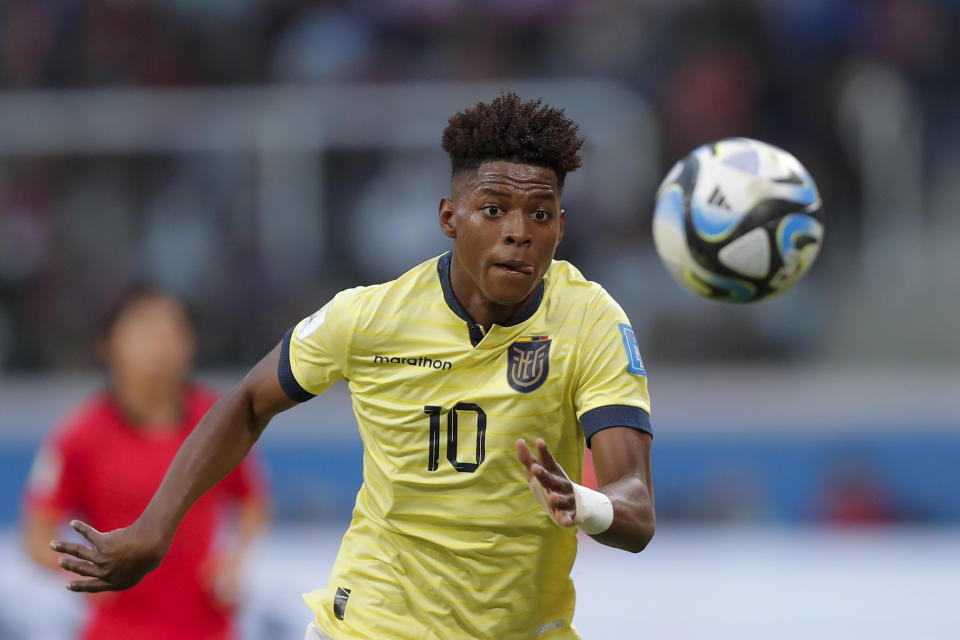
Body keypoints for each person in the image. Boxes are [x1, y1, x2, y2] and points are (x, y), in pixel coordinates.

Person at [51, 93, 655, 640]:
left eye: (540, 215)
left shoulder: (591, 322)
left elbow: (636, 508)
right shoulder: (370, 317)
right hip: (372, 626)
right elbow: (248, 402)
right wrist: (156, 529)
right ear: (450, 217)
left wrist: (585, 501)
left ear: (561, 226)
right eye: (493, 210)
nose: (518, 234)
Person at [25, 284, 269, 640]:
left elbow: (253, 499)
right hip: (118, 630)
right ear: (108, 344)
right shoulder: (78, 436)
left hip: (208, 628)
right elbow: (37, 535)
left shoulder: (218, 421)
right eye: (145, 331)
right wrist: (80, 573)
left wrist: (235, 558)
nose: (161, 345)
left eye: (173, 330)